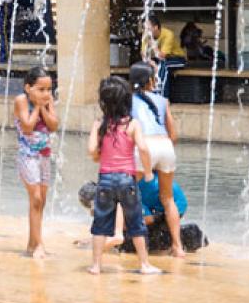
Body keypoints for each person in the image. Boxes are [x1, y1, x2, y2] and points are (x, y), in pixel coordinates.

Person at [87, 76, 160, 275]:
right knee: (136, 221)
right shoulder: (132, 124)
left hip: (105, 179)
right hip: (127, 179)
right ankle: (144, 264)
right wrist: (147, 173)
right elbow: (143, 149)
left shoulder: (99, 124)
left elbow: (92, 149)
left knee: (100, 223)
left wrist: (98, 158)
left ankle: (96, 265)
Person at [129, 61, 185, 257]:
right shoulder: (163, 101)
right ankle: (177, 247)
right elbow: (174, 136)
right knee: (168, 198)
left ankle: (116, 234)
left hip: (145, 146)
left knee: (123, 192)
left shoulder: (127, 100)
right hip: (165, 146)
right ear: (151, 80)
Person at [77, 178, 208, 253]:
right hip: (163, 204)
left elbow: (147, 219)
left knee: (128, 243)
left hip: (173, 206)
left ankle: (190, 235)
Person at [13, 66, 59, 259]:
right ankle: (38, 244)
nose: (46, 94)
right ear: (28, 88)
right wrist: (39, 107)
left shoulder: (48, 101)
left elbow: (54, 125)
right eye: (41, 89)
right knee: (36, 198)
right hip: (27, 155)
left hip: (44, 155)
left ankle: (33, 243)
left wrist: (45, 106)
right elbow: (28, 126)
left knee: (41, 201)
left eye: (49, 90)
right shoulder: (21, 101)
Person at [141, 15, 186, 98]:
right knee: (145, 65)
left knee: (163, 65)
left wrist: (153, 45)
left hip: (178, 59)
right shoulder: (145, 35)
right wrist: (149, 61)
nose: (145, 30)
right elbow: (143, 54)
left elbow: (162, 56)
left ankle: (162, 97)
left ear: (156, 27)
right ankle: (147, 94)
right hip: (161, 59)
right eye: (144, 28)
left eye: (147, 28)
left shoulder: (168, 34)